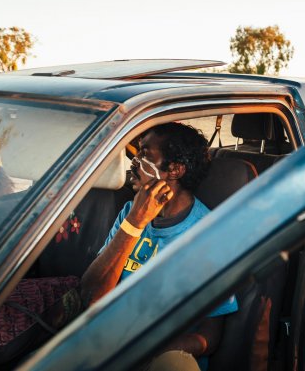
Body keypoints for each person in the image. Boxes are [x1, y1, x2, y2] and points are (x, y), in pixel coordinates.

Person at [81, 123, 237, 371]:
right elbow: (91, 296)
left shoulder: (209, 237)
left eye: (145, 154)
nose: (134, 161)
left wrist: (144, 350)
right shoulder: (129, 215)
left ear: (174, 170)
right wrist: (134, 223)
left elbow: (210, 335)